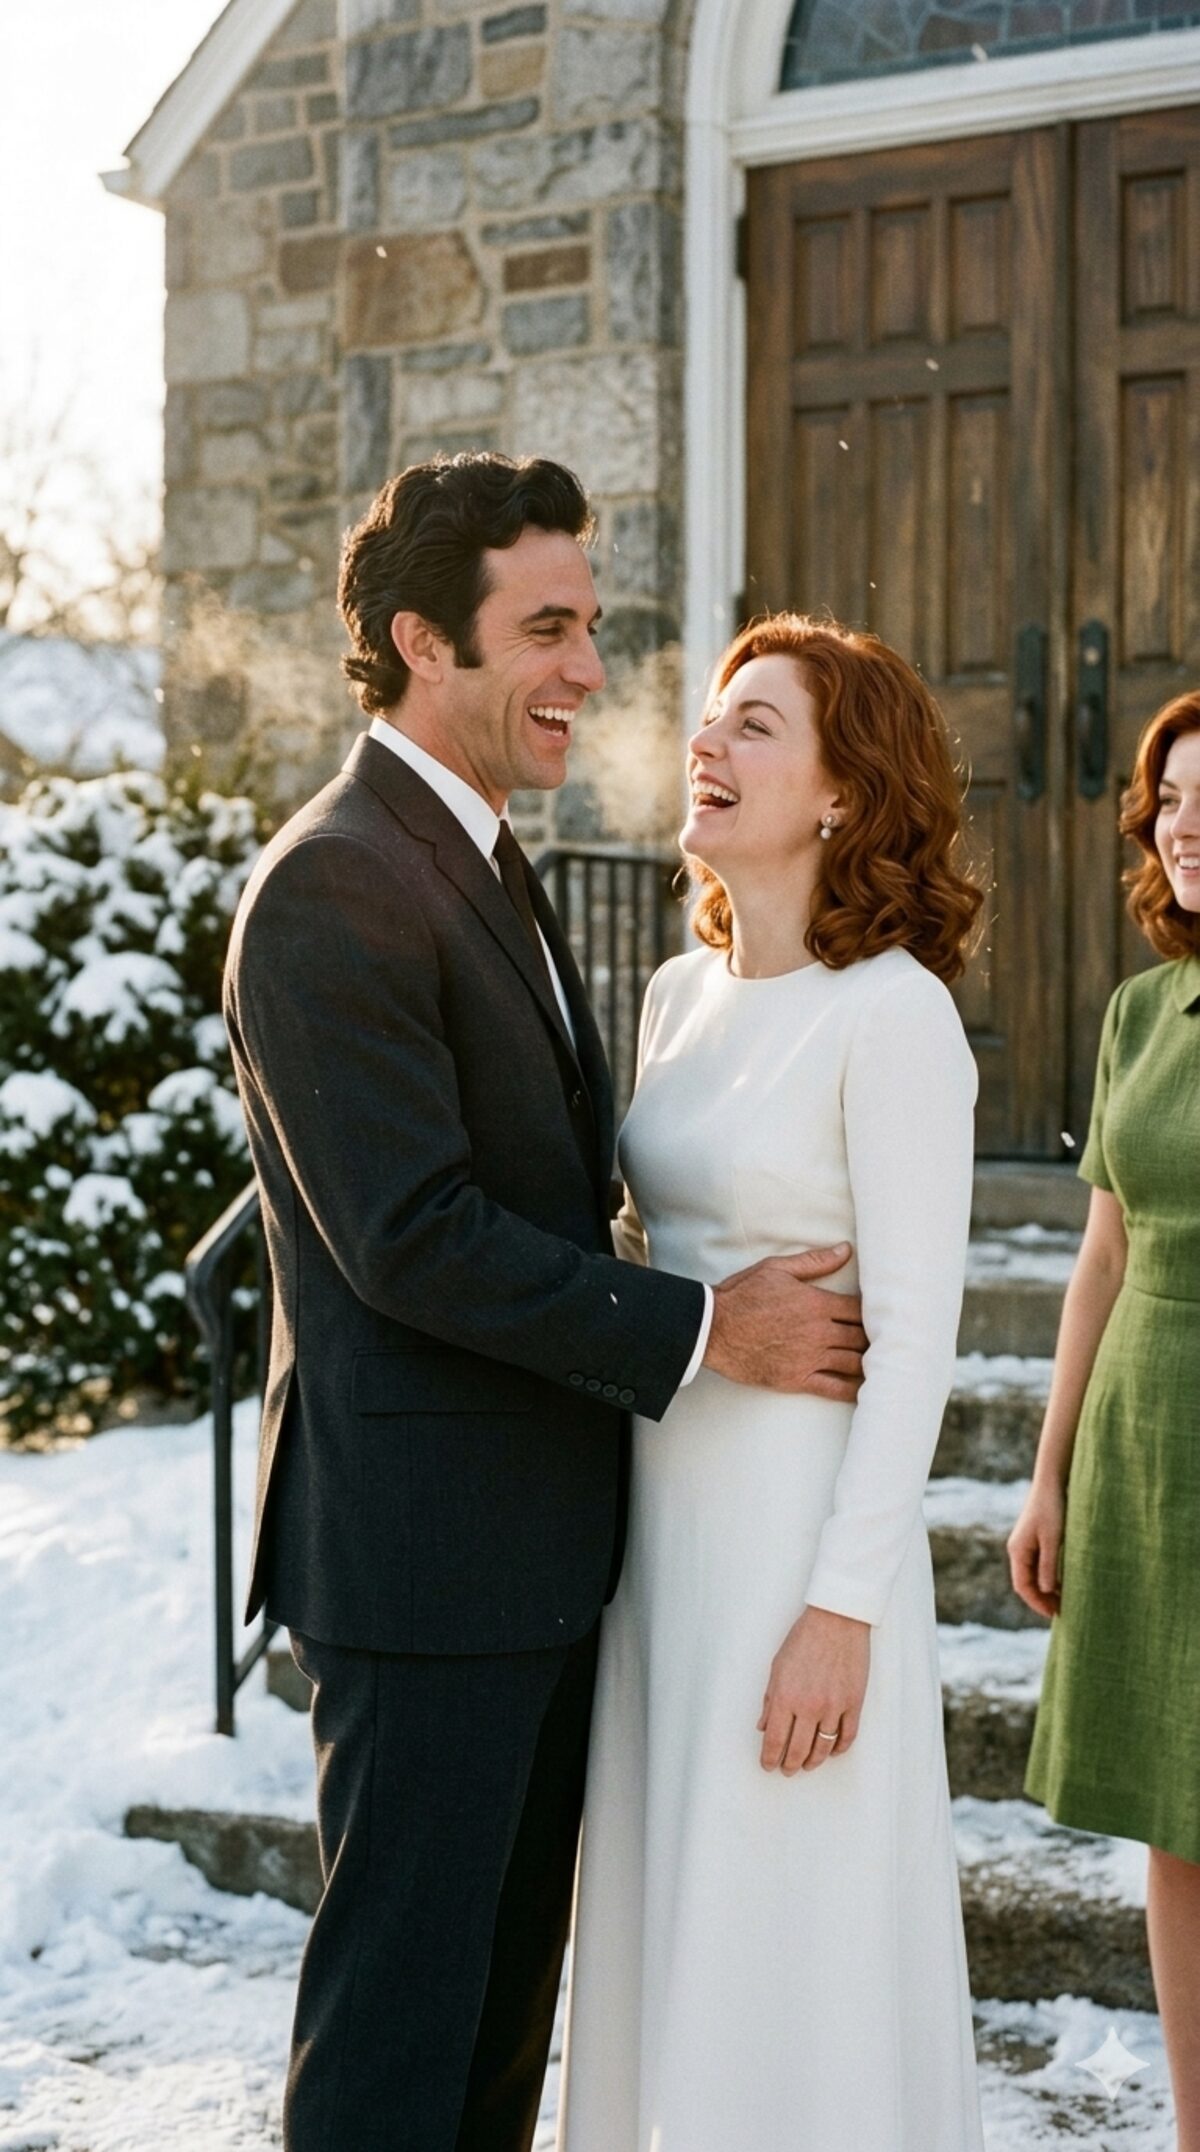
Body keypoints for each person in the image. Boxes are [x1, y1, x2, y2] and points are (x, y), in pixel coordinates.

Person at [222, 455, 869, 2152]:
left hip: (530, 1552)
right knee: (399, 2041)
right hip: (425, 1558)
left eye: (592, 626)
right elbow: (414, 1235)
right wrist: (707, 1329)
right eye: (550, 629)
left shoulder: (491, 860)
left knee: (499, 2040)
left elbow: (543, 1194)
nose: (592, 668)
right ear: (423, 640)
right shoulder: (330, 882)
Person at [559, 613, 987, 2151]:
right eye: (710, 717)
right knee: (675, 1918)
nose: (707, 744)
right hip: (662, 1539)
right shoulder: (678, 999)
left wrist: (842, 1611)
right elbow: (638, 1251)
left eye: (755, 724)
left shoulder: (896, 1017)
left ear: (841, 796)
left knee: (791, 1938)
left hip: (800, 1550)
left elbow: (921, 1343)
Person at [1009, 691, 1200, 2152]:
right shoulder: (1142, 1013)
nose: (1185, 826)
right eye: (1171, 802)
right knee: (1176, 1820)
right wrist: (1048, 1473)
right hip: (1146, 1439)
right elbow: (1102, 1256)